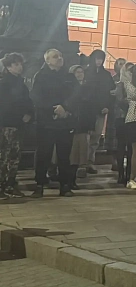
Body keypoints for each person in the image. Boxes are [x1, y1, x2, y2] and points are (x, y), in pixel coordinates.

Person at [30, 49, 76, 197]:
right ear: (47, 60)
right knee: (43, 154)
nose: (59, 58)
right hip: (46, 122)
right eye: (55, 57)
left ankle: (65, 186)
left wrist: (65, 108)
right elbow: (36, 97)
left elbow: (76, 94)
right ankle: (39, 185)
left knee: (64, 155)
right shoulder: (40, 76)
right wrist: (53, 109)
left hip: (65, 121)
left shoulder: (69, 76)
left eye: (61, 56)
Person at [0, 53, 34, 199]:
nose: (19, 67)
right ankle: (3, 185)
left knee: (14, 156)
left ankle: (9, 184)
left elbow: (28, 102)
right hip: (8, 124)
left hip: (19, 124)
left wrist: (29, 113)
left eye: (20, 64)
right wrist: (21, 114)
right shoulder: (4, 84)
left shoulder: (21, 84)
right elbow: (6, 105)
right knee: (6, 156)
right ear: (8, 67)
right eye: (16, 64)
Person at [84, 50, 115, 175]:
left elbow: (111, 92)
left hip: (101, 110)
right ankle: (82, 162)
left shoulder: (106, 75)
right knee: (85, 137)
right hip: (87, 110)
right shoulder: (85, 72)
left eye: (101, 59)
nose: (99, 61)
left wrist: (107, 106)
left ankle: (90, 162)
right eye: (97, 58)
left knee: (96, 137)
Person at [68, 65, 96, 190]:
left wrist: (91, 124)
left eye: (81, 72)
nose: (80, 74)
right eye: (77, 72)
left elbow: (91, 107)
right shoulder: (69, 87)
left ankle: (81, 169)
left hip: (84, 123)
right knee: (72, 151)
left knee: (83, 147)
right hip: (71, 122)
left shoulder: (88, 88)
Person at [106, 57, 127, 170]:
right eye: (120, 64)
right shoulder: (112, 79)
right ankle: (114, 160)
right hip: (115, 110)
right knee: (114, 136)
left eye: (124, 64)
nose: (122, 66)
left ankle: (123, 161)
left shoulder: (129, 79)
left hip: (126, 111)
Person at [114, 62, 133, 184]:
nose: (131, 73)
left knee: (131, 148)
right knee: (121, 146)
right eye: (129, 70)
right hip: (121, 118)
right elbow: (120, 101)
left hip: (133, 119)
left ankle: (129, 173)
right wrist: (132, 101)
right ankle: (120, 173)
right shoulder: (120, 85)